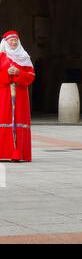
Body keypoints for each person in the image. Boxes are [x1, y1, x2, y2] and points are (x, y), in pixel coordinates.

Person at [0, 31, 35, 162]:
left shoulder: (24, 56)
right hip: (4, 93)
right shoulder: (1, 56)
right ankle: (3, 152)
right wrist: (6, 73)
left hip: (20, 94)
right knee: (4, 118)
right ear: (6, 42)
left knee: (19, 119)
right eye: (11, 40)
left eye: (15, 40)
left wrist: (19, 72)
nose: (13, 42)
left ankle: (18, 153)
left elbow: (31, 76)